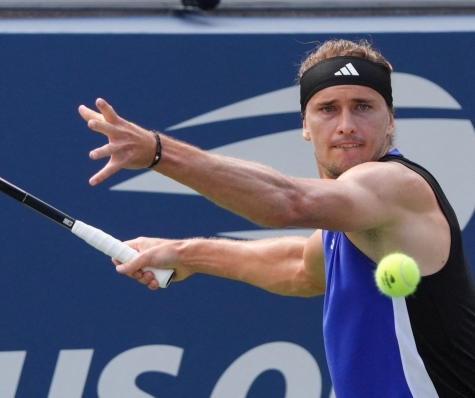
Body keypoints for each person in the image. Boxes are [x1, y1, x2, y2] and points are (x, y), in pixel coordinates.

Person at [78, 39, 475, 397]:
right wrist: (186, 254)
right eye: (327, 109)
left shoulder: (391, 185)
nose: (346, 125)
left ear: (390, 120)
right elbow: (300, 268)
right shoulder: (349, 221)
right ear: (305, 124)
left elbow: (288, 201)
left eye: (363, 107)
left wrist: (158, 152)